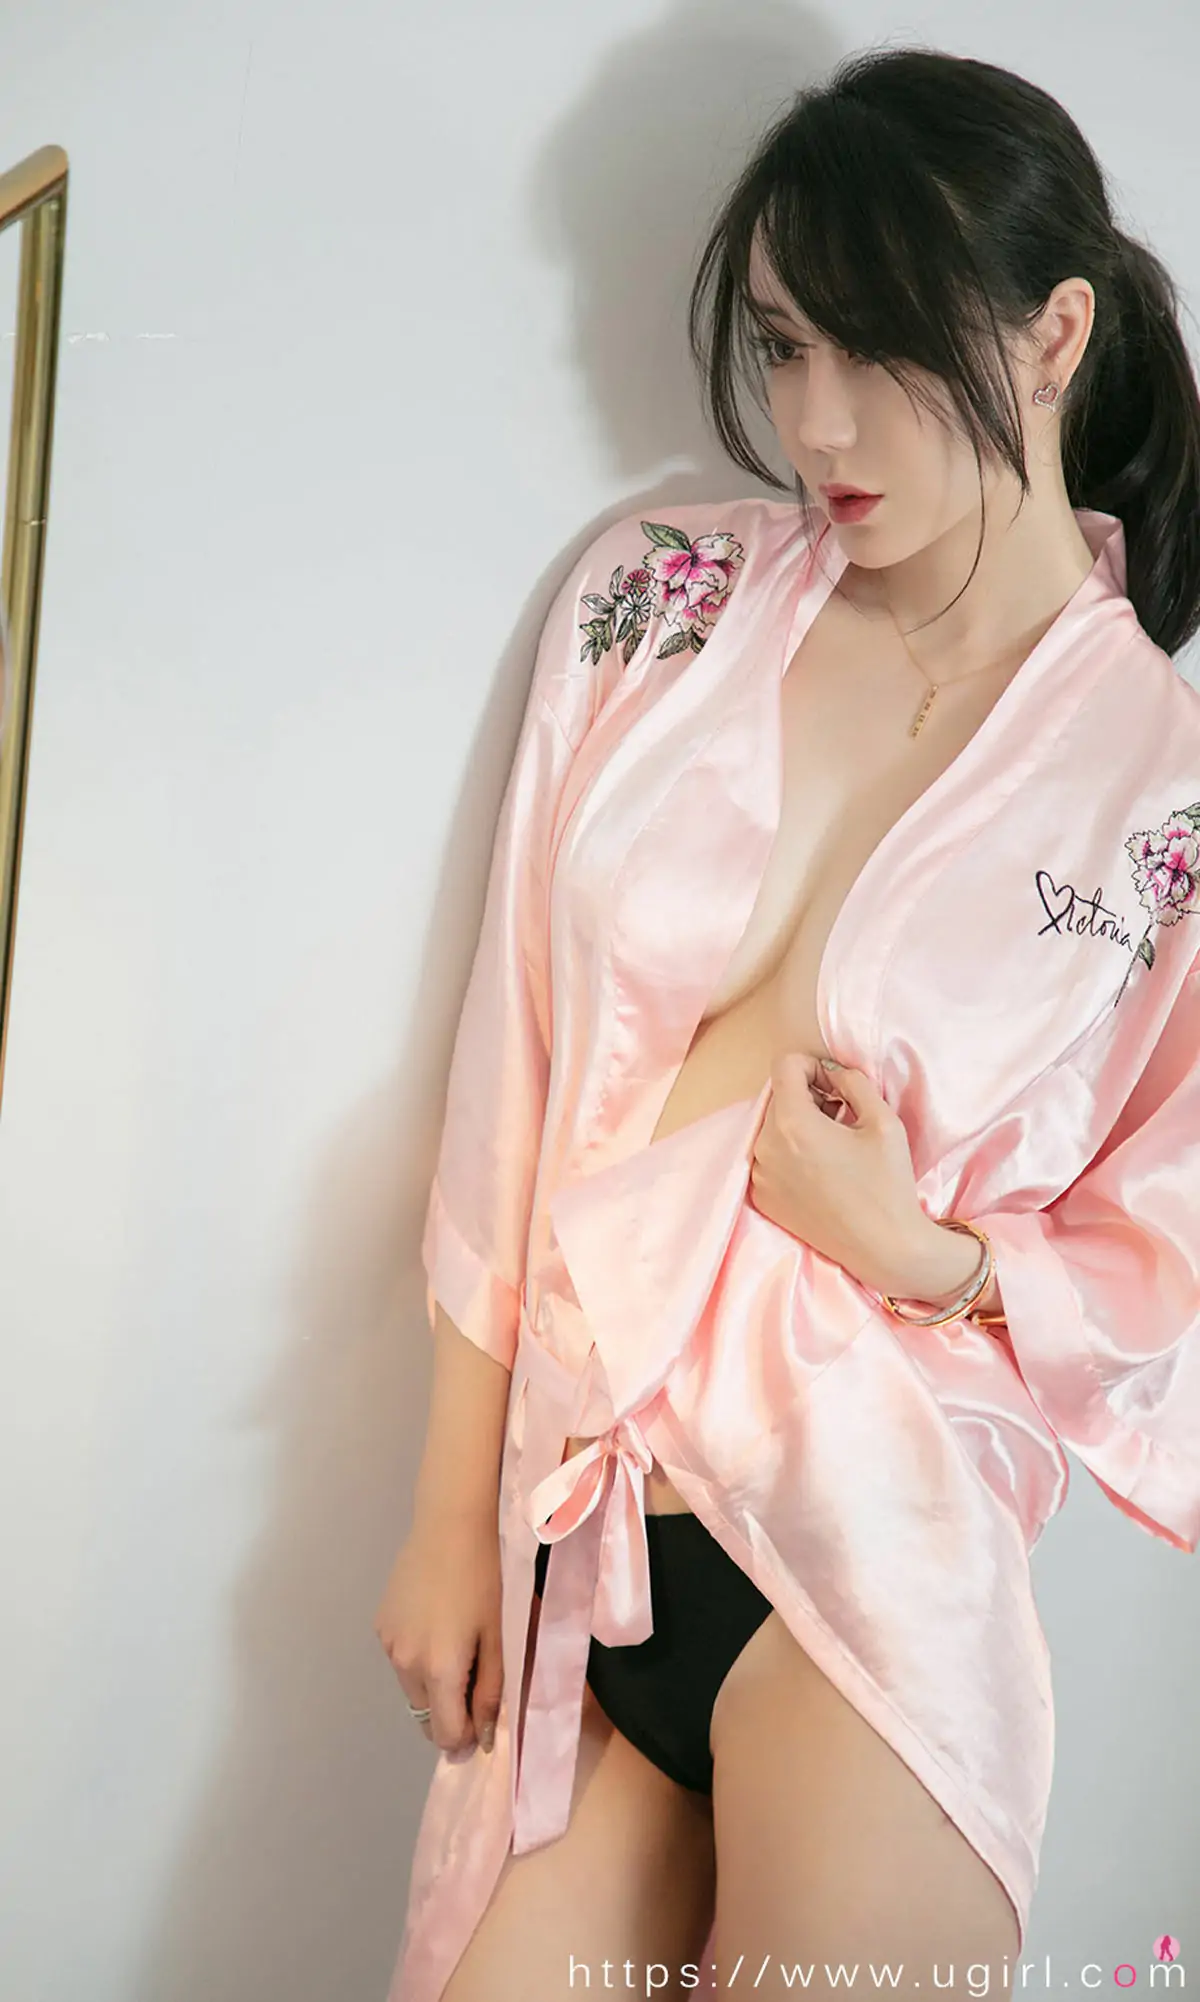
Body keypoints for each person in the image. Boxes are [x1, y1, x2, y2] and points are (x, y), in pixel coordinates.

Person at [376, 44, 1200, 2002]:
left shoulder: (1161, 798)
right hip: (590, 1536)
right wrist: (442, 1506)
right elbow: (514, 1061)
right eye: (783, 346)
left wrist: (923, 1250)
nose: (817, 419)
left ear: (1055, 333)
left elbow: (1173, 1250)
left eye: (881, 353)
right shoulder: (654, 605)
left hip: (873, 1555)